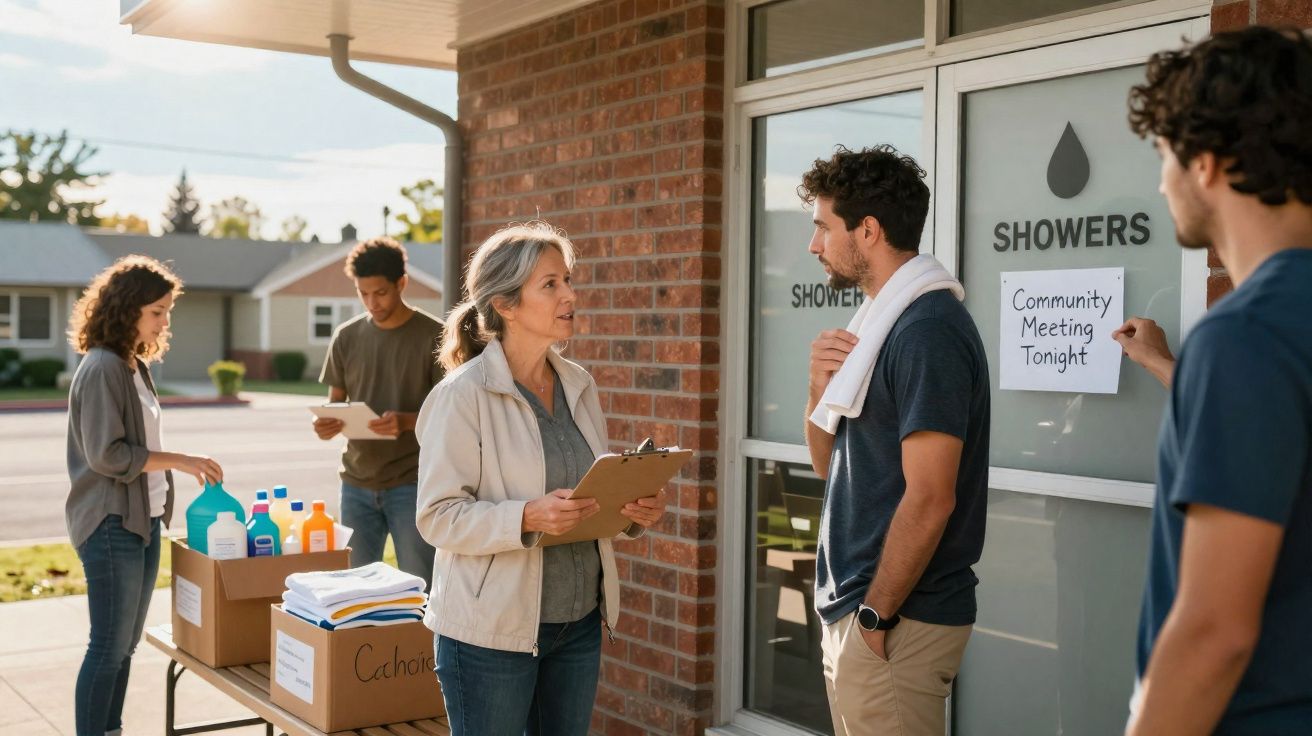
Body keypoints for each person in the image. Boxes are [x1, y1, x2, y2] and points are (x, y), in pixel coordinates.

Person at [1118, 26, 1312, 735]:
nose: (1160, 181)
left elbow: (1214, 632)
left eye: (1164, 156)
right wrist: (1173, 369)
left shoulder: (1244, 336)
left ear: (1206, 162)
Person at [415, 222, 667, 736]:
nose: (570, 295)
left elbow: (585, 492)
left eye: (568, 280)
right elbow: (436, 517)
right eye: (550, 284)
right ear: (506, 305)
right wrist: (527, 516)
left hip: (577, 625)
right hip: (491, 636)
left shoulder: (578, 383)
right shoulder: (461, 396)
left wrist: (631, 511)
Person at [799, 145, 990, 735]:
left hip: (897, 619)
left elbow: (931, 497)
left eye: (823, 227)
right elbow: (832, 468)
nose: (814, 245)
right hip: (863, 613)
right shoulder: (878, 328)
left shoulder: (925, 331)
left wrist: (876, 620)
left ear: (869, 230)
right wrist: (816, 390)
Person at [65, 255, 225, 736]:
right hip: (110, 523)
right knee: (108, 646)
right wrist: (183, 460)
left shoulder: (132, 365)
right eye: (157, 310)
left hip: (143, 521)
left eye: (167, 311)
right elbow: (108, 455)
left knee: (125, 644)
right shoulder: (102, 368)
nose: (165, 320)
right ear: (127, 307)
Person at [313, 237, 444, 582]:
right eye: (363, 293)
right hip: (355, 483)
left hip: (413, 484)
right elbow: (336, 401)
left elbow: (454, 418)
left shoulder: (436, 337)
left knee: (421, 587)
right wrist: (328, 422)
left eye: (381, 293)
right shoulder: (346, 336)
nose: (372, 302)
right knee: (355, 590)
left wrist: (406, 422)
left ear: (401, 283)